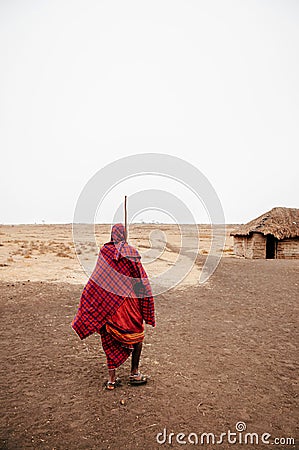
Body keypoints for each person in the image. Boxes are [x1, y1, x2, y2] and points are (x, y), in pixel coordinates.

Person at [72, 223, 155, 390]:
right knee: (137, 336)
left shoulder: (105, 251)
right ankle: (134, 373)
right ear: (124, 235)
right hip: (129, 304)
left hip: (109, 305)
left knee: (109, 339)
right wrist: (145, 302)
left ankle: (112, 379)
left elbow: (98, 277)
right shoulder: (131, 252)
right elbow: (141, 279)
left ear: (112, 235)